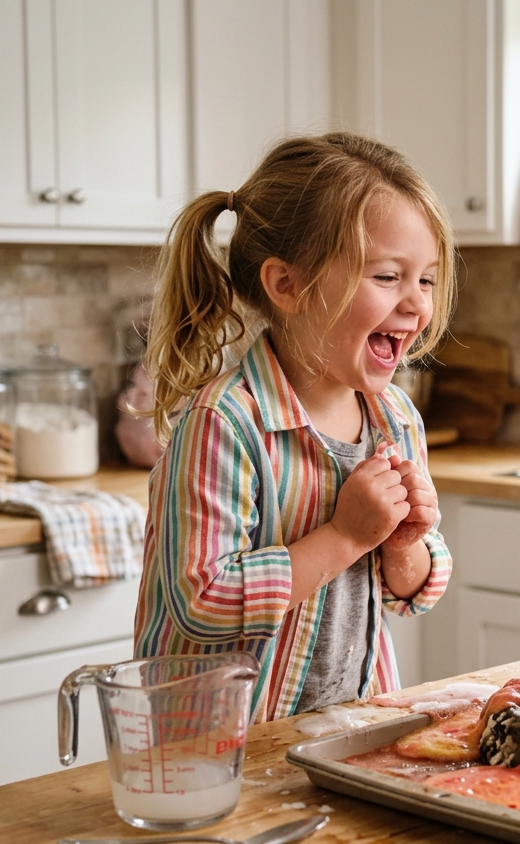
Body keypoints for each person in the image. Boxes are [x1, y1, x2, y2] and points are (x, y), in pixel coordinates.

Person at [134, 133, 455, 722]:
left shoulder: (396, 419)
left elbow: (410, 593)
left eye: (426, 280)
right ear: (288, 286)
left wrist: (403, 544)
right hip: (220, 750)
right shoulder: (225, 423)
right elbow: (201, 603)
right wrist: (346, 537)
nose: (416, 304)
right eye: (387, 277)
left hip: (350, 725)